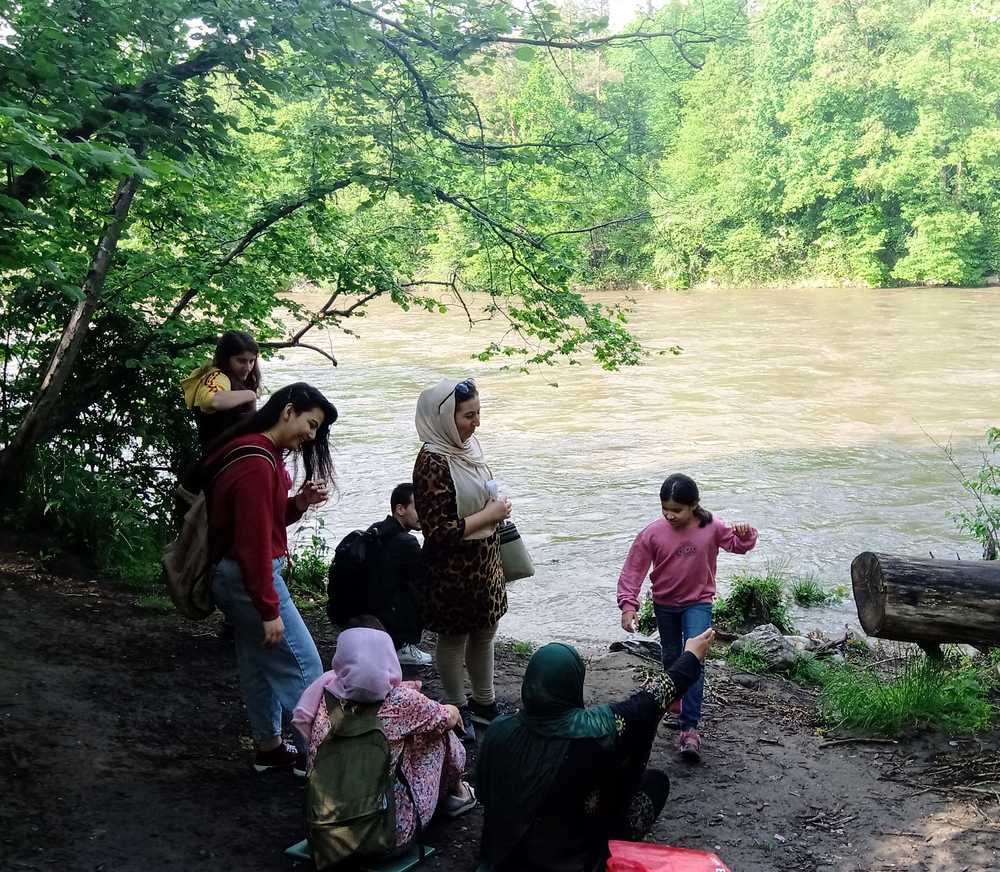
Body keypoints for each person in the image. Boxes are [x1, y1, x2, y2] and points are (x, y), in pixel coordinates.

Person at [476, 629, 716, 872]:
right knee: (655, 784)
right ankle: (603, 852)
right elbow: (648, 704)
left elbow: (484, 794)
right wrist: (691, 657)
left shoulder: (499, 729)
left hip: (503, 857)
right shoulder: (594, 732)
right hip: (569, 862)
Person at [205, 381, 337, 774]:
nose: (310, 436)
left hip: (235, 576)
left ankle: (269, 748)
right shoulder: (256, 462)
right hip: (248, 578)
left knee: (258, 663)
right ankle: (322, 762)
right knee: (306, 668)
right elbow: (252, 544)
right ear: (288, 411)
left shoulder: (258, 452)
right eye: (310, 424)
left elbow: (263, 521)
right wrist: (269, 608)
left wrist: (299, 503)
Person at [293, 625, 477, 854]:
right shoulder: (402, 701)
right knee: (439, 731)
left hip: (322, 833)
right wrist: (454, 709)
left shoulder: (323, 692)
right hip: (388, 839)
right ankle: (457, 793)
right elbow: (447, 717)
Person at [617, 473, 757, 761]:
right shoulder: (652, 533)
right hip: (664, 604)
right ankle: (675, 698)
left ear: (693, 505)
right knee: (671, 656)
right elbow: (634, 570)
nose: (670, 515)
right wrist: (628, 605)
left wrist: (746, 533)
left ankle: (689, 728)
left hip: (699, 603)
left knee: (695, 660)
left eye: (676, 510)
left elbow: (738, 545)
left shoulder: (711, 526)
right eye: (665, 509)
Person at [412, 378, 511, 734]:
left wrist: (496, 508)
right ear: (444, 419)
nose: (477, 423)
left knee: (486, 632)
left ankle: (485, 702)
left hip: (485, 561)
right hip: (452, 570)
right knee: (454, 639)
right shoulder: (432, 462)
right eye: (469, 416)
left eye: (478, 413)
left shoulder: (469, 448)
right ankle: (456, 707)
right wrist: (489, 514)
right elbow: (437, 531)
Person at [327, 483, 431, 667]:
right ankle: (401, 646)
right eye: (418, 508)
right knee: (422, 589)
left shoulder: (377, 529)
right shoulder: (406, 542)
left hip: (359, 612)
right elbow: (426, 576)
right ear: (400, 509)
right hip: (383, 614)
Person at [181, 330, 262, 447]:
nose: (248, 367)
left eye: (251, 361)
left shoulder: (240, 378)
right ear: (225, 358)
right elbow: (212, 400)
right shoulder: (217, 377)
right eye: (241, 361)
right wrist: (250, 395)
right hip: (218, 454)